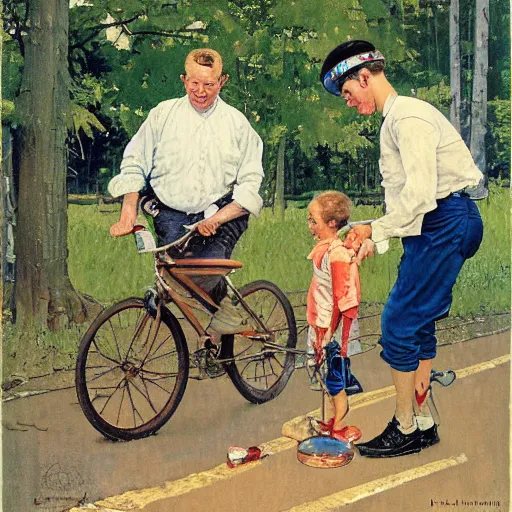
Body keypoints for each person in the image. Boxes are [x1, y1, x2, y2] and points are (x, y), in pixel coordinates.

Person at [320, 40, 484, 457]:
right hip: (435, 223)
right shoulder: (395, 120)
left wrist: (372, 228)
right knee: (417, 322)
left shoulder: (407, 119)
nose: (349, 103)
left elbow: (421, 198)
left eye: (347, 94)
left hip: (446, 220)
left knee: (396, 322)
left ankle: (405, 426)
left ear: (363, 77)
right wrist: (375, 237)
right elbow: (405, 205)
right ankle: (424, 422)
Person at [108, 48, 264, 333]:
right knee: (177, 274)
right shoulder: (162, 115)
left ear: (223, 81)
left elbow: (250, 184)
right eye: (194, 83)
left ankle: (219, 330)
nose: (201, 91)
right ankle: (221, 316)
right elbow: (134, 161)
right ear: (184, 80)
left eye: (209, 84)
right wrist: (128, 209)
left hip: (223, 214)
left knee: (205, 271)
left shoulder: (237, 124)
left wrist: (216, 219)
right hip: (171, 213)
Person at [306, 191, 364, 444]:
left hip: (332, 326)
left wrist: (330, 332)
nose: (310, 226)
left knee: (334, 376)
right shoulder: (325, 249)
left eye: (313, 221)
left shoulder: (337, 254)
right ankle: (332, 419)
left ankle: (339, 423)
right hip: (320, 320)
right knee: (321, 371)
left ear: (331, 224)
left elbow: (344, 298)